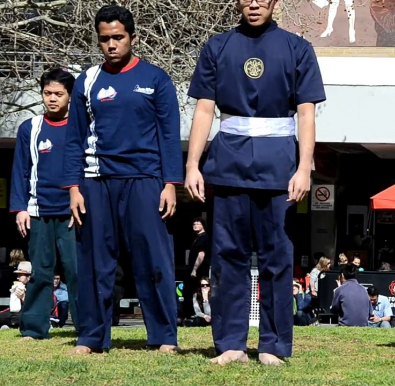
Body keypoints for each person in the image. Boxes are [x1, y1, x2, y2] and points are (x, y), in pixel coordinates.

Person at [184, 0, 326, 366]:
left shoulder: (298, 48)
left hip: (279, 169)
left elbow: (307, 113)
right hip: (227, 164)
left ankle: (273, 346)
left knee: (276, 260)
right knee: (226, 256)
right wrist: (192, 164)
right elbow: (203, 108)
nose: (254, 3)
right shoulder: (218, 46)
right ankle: (230, 344)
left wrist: (304, 167)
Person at [62, 5, 182, 354]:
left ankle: (164, 337)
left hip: (146, 180)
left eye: (118, 37)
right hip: (96, 182)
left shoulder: (156, 79)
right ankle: (91, 338)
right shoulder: (86, 80)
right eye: (104, 39)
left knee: (153, 261)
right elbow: (74, 139)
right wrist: (73, 188)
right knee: (96, 263)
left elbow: (169, 136)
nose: (111, 44)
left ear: (132, 37)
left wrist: (170, 183)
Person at [9, 68, 79, 340]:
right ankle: (34, 329)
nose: (52, 99)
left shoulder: (80, 125)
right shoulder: (30, 127)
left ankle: (87, 328)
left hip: (73, 213)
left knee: (76, 271)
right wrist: (20, 208)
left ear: (69, 97)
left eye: (58, 94)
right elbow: (21, 171)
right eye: (47, 93)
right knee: (41, 271)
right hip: (38, 211)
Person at [184, 218, 210, 318]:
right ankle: (195, 313)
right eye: (194, 224)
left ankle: (201, 314)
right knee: (193, 292)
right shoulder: (197, 238)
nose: (195, 225)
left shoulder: (204, 238)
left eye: (198, 223)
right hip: (196, 270)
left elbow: (201, 255)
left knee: (199, 292)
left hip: (200, 271)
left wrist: (194, 270)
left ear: (203, 225)